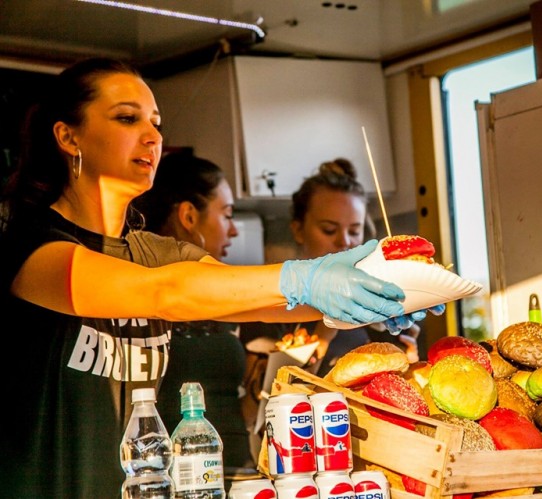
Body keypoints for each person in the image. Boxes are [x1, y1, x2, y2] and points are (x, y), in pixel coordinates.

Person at [0, 57, 438, 498]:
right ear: (67, 136)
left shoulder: (156, 252)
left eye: (156, 123)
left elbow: (259, 300)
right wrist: (305, 278)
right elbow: (166, 293)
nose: (152, 137)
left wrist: (378, 293)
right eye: (127, 118)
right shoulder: (30, 246)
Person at [240, 158, 440, 459]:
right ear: (298, 230)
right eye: (329, 229)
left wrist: (408, 363)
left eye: (354, 231)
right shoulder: (269, 308)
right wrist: (326, 330)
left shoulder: (383, 309)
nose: (344, 242)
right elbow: (253, 411)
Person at [131, 151, 253, 470]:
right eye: (226, 215)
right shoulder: (140, 287)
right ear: (188, 216)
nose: (234, 230)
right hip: (177, 477)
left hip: (239, 470)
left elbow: (237, 407)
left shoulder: (224, 293)